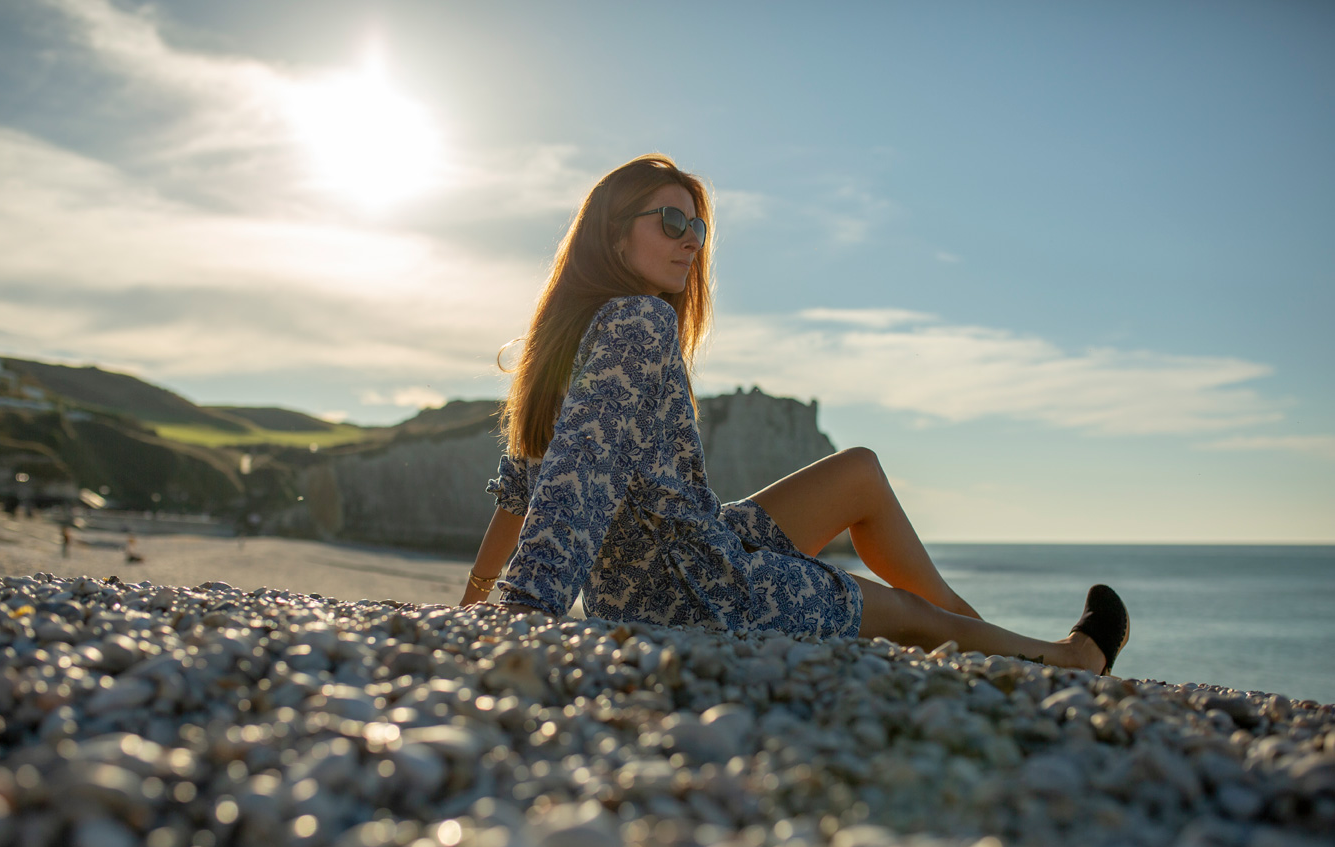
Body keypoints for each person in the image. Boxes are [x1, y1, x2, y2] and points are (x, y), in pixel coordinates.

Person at [459, 154, 1129, 674]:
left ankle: (979, 632)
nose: (692, 242)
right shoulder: (637, 323)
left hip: (689, 554)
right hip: (694, 594)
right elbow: (577, 481)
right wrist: (524, 613)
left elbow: (521, 491)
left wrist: (467, 610)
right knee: (903, 612)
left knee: (860, 471)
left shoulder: (567, 339)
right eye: (671, 222)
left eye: (697, 227)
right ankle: (1067, 660)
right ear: (611, 233)